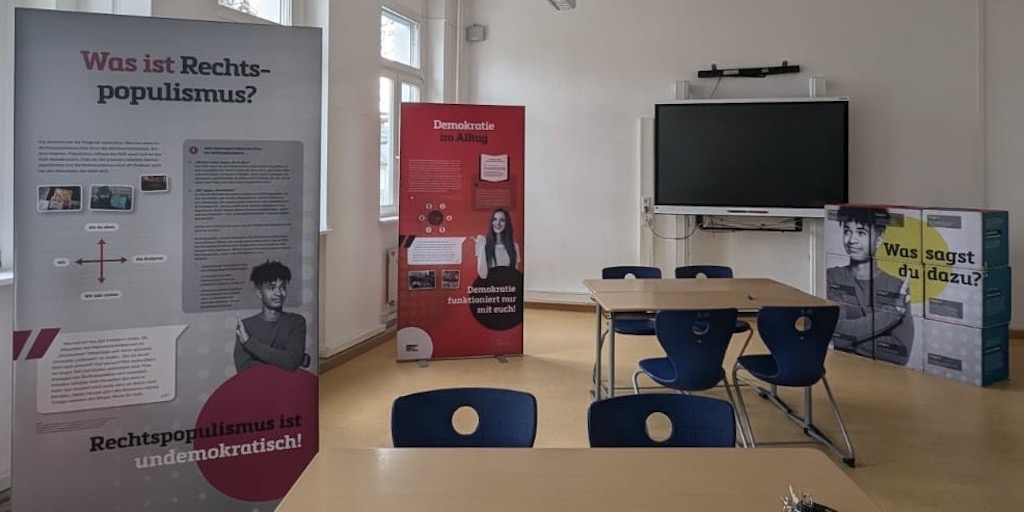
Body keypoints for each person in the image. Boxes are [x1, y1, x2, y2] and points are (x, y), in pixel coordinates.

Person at [826, 207, 913, 365]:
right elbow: (834, 332)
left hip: (882, 373)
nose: (852, 240)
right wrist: (893, 313)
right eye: (847, 231)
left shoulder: (896, 285)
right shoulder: (833, 276)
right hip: (842, 367)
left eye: (861, 233)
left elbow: (900, 352)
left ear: (879, 239)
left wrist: (846, 339)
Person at [234, 260, 308, 372]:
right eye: (271, 288)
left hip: (286, 382)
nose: (278, 293)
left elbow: (291, 361)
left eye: (282, 287)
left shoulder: (296, 322)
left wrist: (249, 343)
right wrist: (284, 360)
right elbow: (244, 368)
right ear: (259, 293)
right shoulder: (245, 326)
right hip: (256, 382)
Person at [474, 207, 521, 279]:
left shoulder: (514, 246)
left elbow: (515, 272)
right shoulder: (484, 246)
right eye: (494, 219)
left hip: (508, 284)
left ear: (507, 223)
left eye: (502, 220)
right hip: (490, 285)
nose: (497, 223)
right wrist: (481, 248)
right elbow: (482, 274)